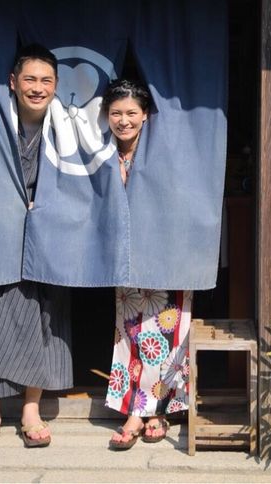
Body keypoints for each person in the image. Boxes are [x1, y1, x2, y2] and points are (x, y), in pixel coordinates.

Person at [0, 44, 73, 449]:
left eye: (46, 80)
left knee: (46, 311)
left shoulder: (68, 127)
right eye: (30, 79)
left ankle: (31, 408)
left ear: (57, 85)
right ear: (12, 82)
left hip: (50, 232)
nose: (38, 88)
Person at [102, 79, 192, 451]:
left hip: (167, 248)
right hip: (126, 252)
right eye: (116, 113)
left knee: (167, 332)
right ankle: (135, 410)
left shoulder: (162, 150)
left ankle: (158, 411)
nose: (123, 121)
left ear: (146, 116)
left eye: (131, 113)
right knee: (131, 332)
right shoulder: (103, 151)